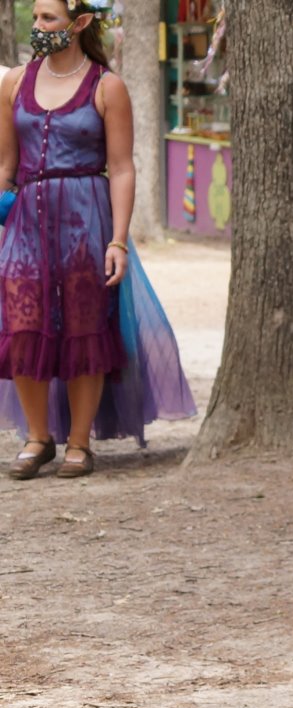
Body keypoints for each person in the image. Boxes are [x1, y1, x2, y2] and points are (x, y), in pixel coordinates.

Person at [2, 0, 194, 480]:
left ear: (80, 22)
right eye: (36, 17)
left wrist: (118, 240)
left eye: (49, 18)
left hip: (87, 219)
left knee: (85, 326)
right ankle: (37, 437)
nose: (38, 26)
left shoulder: (107, 86)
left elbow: (123, 167)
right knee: (22, 323)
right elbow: (6, 165)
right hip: (26, 219)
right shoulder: (14, 83)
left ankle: (79, 443)